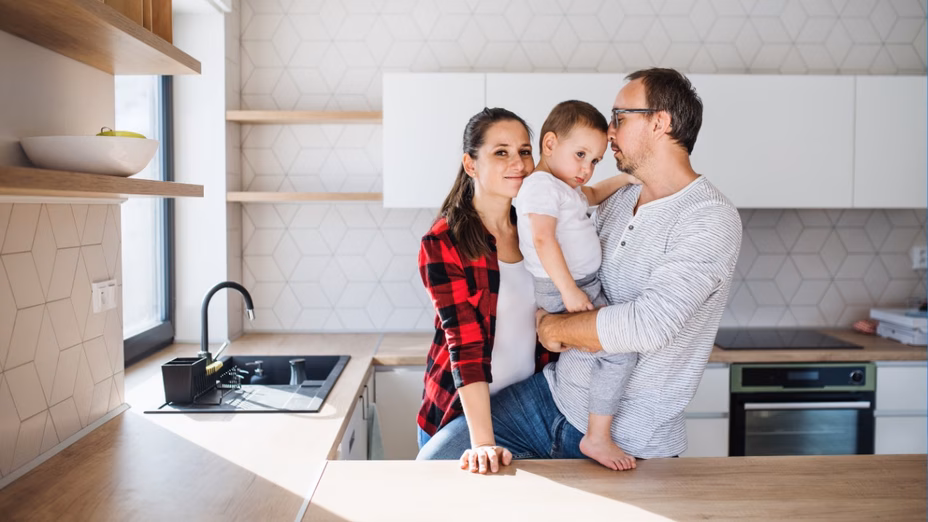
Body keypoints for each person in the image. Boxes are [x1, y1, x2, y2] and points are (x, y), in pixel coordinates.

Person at [420, 68, 743, 471]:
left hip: (630, 438)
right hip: (549, 398)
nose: (610, 130)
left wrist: (553, 327)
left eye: (620, 117)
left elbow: (647, 326)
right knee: (430, 470)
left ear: (660, 122)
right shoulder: (616, 202)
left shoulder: (708, 217)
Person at [415, 107, 556, 474]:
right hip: (464, 416)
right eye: (501, 152)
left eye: (525, 151)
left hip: (524, 411)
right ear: (471, 164)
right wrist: (481, 443)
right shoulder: (444, 241)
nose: (519, 163)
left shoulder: (537, 232)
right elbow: (465, 345)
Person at [515, 100, 639, 471]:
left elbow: (595, 194)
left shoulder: (564, 185)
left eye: (595, 160)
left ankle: (595, 427)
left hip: (581, 284)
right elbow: (542, 239)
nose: (586, 169)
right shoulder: (540, 186)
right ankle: (596, 436)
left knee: (611, 348)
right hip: (565, 288)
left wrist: (627, 179)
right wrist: (569, 290)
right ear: (550, 144)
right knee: (619, 352)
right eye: (580, 155)